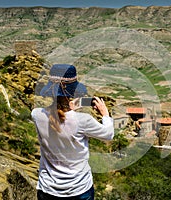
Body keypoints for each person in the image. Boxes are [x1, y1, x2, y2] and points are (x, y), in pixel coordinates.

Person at [31, 64, 114, 199]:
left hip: (48, 189)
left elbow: (59, 118)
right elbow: (108, 134)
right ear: (73, 91)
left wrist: (69, 107)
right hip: (79, 189)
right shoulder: (83, 120)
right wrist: (105, 114)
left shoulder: (37, 115)